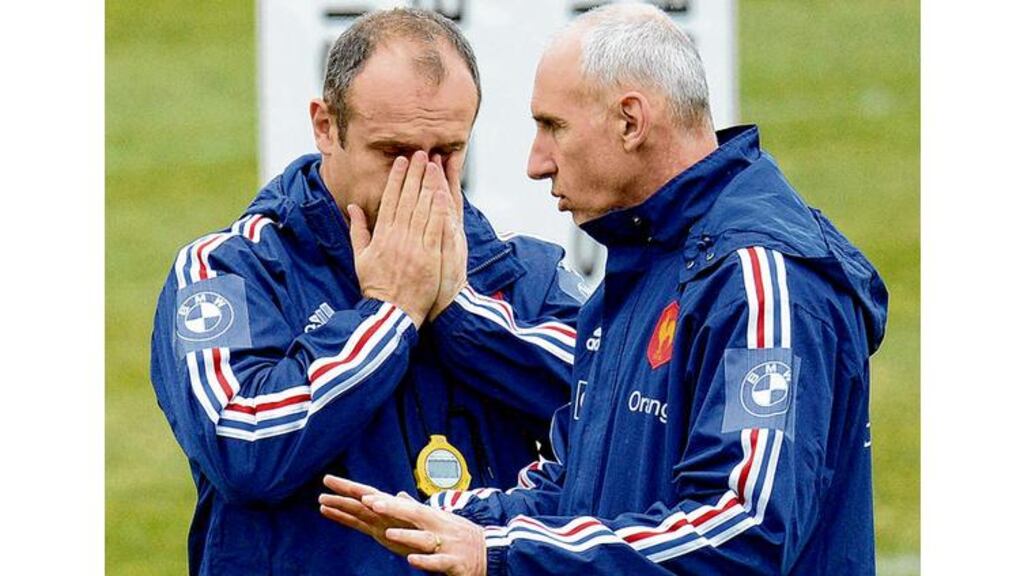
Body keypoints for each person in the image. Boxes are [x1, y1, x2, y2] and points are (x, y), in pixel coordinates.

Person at [319, 3, 889, 575]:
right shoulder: (642, 268)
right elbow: (576, 492)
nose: (536, 163)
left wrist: (498, 552)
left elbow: (745, 530)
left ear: (630, 122)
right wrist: (456, 520)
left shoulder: (759, 282)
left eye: (553, 127)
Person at [149, 8, 584, 576]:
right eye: (393, 153)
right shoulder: (224, 273)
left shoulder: (521, 273)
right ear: (326, 126)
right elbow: (242, 445)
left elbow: (618, 408)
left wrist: (460, 311)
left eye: (446, 152)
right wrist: (389, 313)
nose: (421, 178)